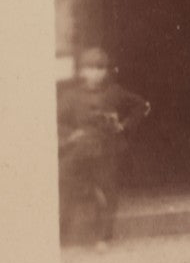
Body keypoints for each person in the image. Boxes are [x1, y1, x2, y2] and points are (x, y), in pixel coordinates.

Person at [58, 47, 150, 250]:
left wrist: (123, 126)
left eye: (100, 68)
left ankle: (104, 236)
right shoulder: (71, 96)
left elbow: (141, 106)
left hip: (106, 150)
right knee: (63, 180)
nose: (95, 73)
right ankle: (60, 232)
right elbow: (55, 120)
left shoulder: (114, 92)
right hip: (79, 150)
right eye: (90, 68)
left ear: (106, 71)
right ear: (82, 71)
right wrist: (70, 135)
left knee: (108, 191)